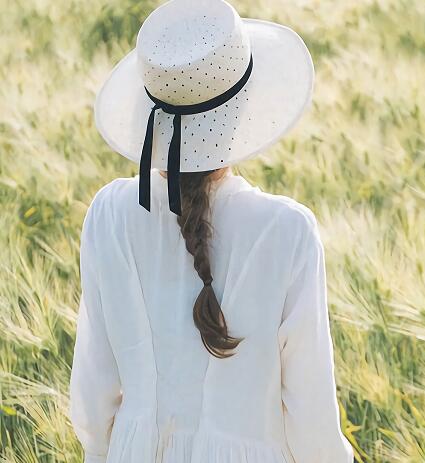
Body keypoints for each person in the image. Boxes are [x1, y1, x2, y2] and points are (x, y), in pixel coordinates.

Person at [68, 0, 354, 462]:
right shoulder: (286, 232)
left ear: (151, 115)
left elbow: (92, 394)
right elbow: (313, 421)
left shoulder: (109, 214)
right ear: (244, 109)